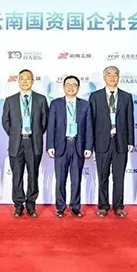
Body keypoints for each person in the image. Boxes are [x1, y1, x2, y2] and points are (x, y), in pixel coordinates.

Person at [89, 66, 135, 218]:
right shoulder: (95, 96)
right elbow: (91, 122)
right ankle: (103, 206)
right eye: (109, 74)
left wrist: (130, 141)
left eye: (115, 75)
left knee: (119, 177)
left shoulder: (126, 97)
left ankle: (118, 206)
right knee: (102, 176)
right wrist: (91, 144)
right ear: (104, 77)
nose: (112, 77)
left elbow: (130, 120)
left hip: (120, 142)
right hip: (101, 142)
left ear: (119, 77)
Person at [2, 69, 48, 218]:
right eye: (22, 78)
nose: (25, 81)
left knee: (33, 175)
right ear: (18, 81)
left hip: (33, 142)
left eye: (28, 78)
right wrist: (15, 134)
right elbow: (5, 121)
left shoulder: (41, 99)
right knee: (17, 176)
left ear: (33, 81)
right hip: (17, 143)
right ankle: (18, 205)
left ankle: (31, 205)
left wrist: (35, 134)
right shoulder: (10, 100)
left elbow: (44, 122)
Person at [47, 76, 93, 218]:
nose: (71, 87)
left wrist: (88, 147)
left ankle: (75, 207)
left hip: (78, 146)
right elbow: (51, 126)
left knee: (76, 179)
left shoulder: (85, 105)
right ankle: (60, 207)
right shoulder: (55, 104)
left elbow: (89, 127)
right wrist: (50, 145)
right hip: (61, 145)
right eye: (68, 84)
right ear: (63, 86)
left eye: (74, 85)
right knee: (60, 179)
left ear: (78, 88)